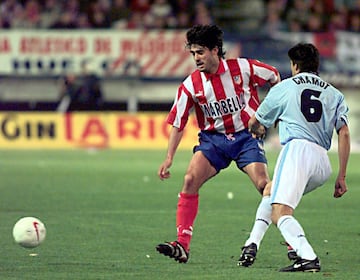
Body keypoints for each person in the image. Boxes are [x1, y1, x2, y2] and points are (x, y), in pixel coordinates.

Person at [155, 24, 281, 263]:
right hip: (214, 141)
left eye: (200, 52)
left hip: (246, 137)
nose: (196, 58)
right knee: (190, 179)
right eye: (193, 53)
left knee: (264, 185)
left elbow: (274, 76)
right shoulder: (190, 85)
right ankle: (182, 244)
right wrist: (169, 157)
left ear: (215, 50)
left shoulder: (243, 68)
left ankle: (290, 242)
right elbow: (178, 122)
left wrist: (269, 115)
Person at [239, 42, 350, 272]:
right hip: (322, 162)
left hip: (297, 151)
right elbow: (344, 132)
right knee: (271, 191)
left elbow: (255, 122)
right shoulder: (335, 94)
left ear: (295, 65)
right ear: (317, 66)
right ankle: (252, 243)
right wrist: (342, 176)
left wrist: (258, 129)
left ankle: (307, 256)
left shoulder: (285, 86)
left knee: (281, 212)